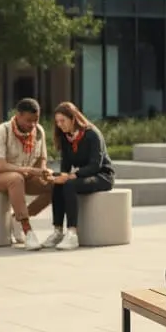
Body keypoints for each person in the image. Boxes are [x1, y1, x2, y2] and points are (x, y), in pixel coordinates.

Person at [42, 102, 115, 251]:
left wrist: (70, 176)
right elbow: (66, 166)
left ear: (73, 119)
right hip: (83, 175)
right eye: (57, 122)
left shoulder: (92, 134)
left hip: (102, 176)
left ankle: (72, 233)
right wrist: (57, 176)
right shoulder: (66, 137)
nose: (60, 125)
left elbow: (95, 165)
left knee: (69, 184)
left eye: (63, 121)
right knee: (58, 183)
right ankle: (57, 231)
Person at [0, 97, 53, 251]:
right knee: (16, 178)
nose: (32, 125)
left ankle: (17, 218)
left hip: (24, 176)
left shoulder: (39, 131)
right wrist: (28, 170)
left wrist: (43, 171)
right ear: (18, 115)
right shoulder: (2, 131)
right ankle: (27, 230)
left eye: (36, 120)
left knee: (54, 186)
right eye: (28, 120)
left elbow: (42, 159)